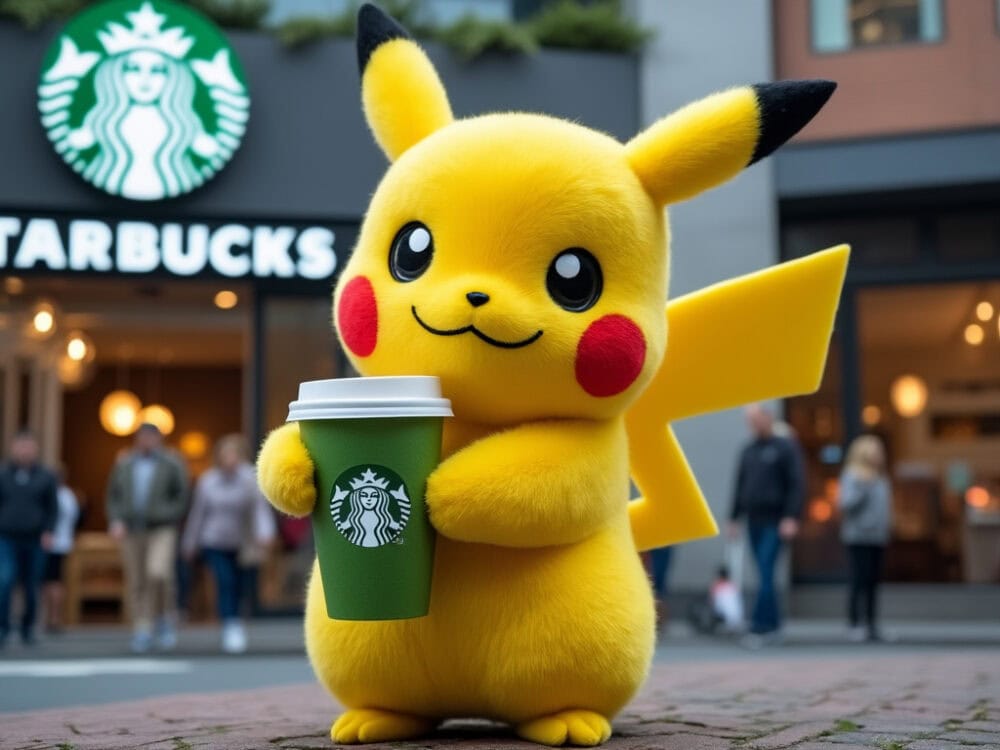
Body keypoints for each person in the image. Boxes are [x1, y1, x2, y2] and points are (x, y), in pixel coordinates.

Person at [182, 435, 274, 653]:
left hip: (242, 542)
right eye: (226, 455)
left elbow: (259, 509)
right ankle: (230, 624)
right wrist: (190, 542)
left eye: (234, 454)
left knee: (241, 584)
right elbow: (198, 514)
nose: (230, 459)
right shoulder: (208, 481)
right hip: (214, 540)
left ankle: (237, 619)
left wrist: (265, 533)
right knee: (225, 581)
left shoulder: (250, 479)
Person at [106, 423, 189, 653]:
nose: (147, 441)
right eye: (143, 437)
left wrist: (168, 514)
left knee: (159, 572)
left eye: (151, 437)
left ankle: (164, 618)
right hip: (132, 529)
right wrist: (116, 520)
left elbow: (182, 495)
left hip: (161, 528)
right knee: (137, 579)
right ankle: (142, 626)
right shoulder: (124, 464)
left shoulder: (171, 463)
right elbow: (113, 496)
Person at [728, 404, 804, 645]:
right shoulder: (748, 450)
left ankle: (760, 626)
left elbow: (796, 484)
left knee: (766, 570)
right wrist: (734, 518)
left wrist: (791, 516)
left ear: (768, 418)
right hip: (753, 520)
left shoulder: (785, 448)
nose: (753, 424)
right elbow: (740, 487)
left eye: (756, 419)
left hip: (775, 521)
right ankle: (773, 624)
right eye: (749, 420)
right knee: (763, 573)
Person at [0, 431, 57, 646]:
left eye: (28, 446)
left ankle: (28, 627)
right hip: (6, 536)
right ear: (13, 448)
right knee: (5, 580)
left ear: (36, 449)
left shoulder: (46, 476)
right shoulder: (4, 474)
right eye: (21, 446)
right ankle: (3, 626)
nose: (24, 451)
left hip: (35, 538)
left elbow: (52, 508)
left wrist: (49, 531)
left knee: (32, 584)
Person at [838, 435, 892, 642]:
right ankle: (854, 623)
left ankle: (871, 625)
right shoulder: (853, 476)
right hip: (858, 536)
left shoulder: (881, 477)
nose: (879, 456)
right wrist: (863, 488)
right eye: (875, 452)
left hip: (878, 536)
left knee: (873, 582)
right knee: (858, 580)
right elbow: (845, 504)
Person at [42, 467, 80, 633]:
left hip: (56, 543)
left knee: (53, 581)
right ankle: (50, 617)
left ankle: (54, 618)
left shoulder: (63, 496)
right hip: (58, 542)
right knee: (51, 581)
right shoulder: (68, 496)